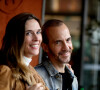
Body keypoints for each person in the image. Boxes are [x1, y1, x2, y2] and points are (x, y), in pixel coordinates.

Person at [0, 13, 48, 90]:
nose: (36, 38)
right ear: (15, 38)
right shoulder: (5, 70)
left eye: (38, 32)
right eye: (28, 33)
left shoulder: (32, 71)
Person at [35, 19, 78, 90]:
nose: (66, 47)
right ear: (45, 47)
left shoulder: (73, 78)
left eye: (68, 40)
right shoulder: (36, 76)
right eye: (58, 42)